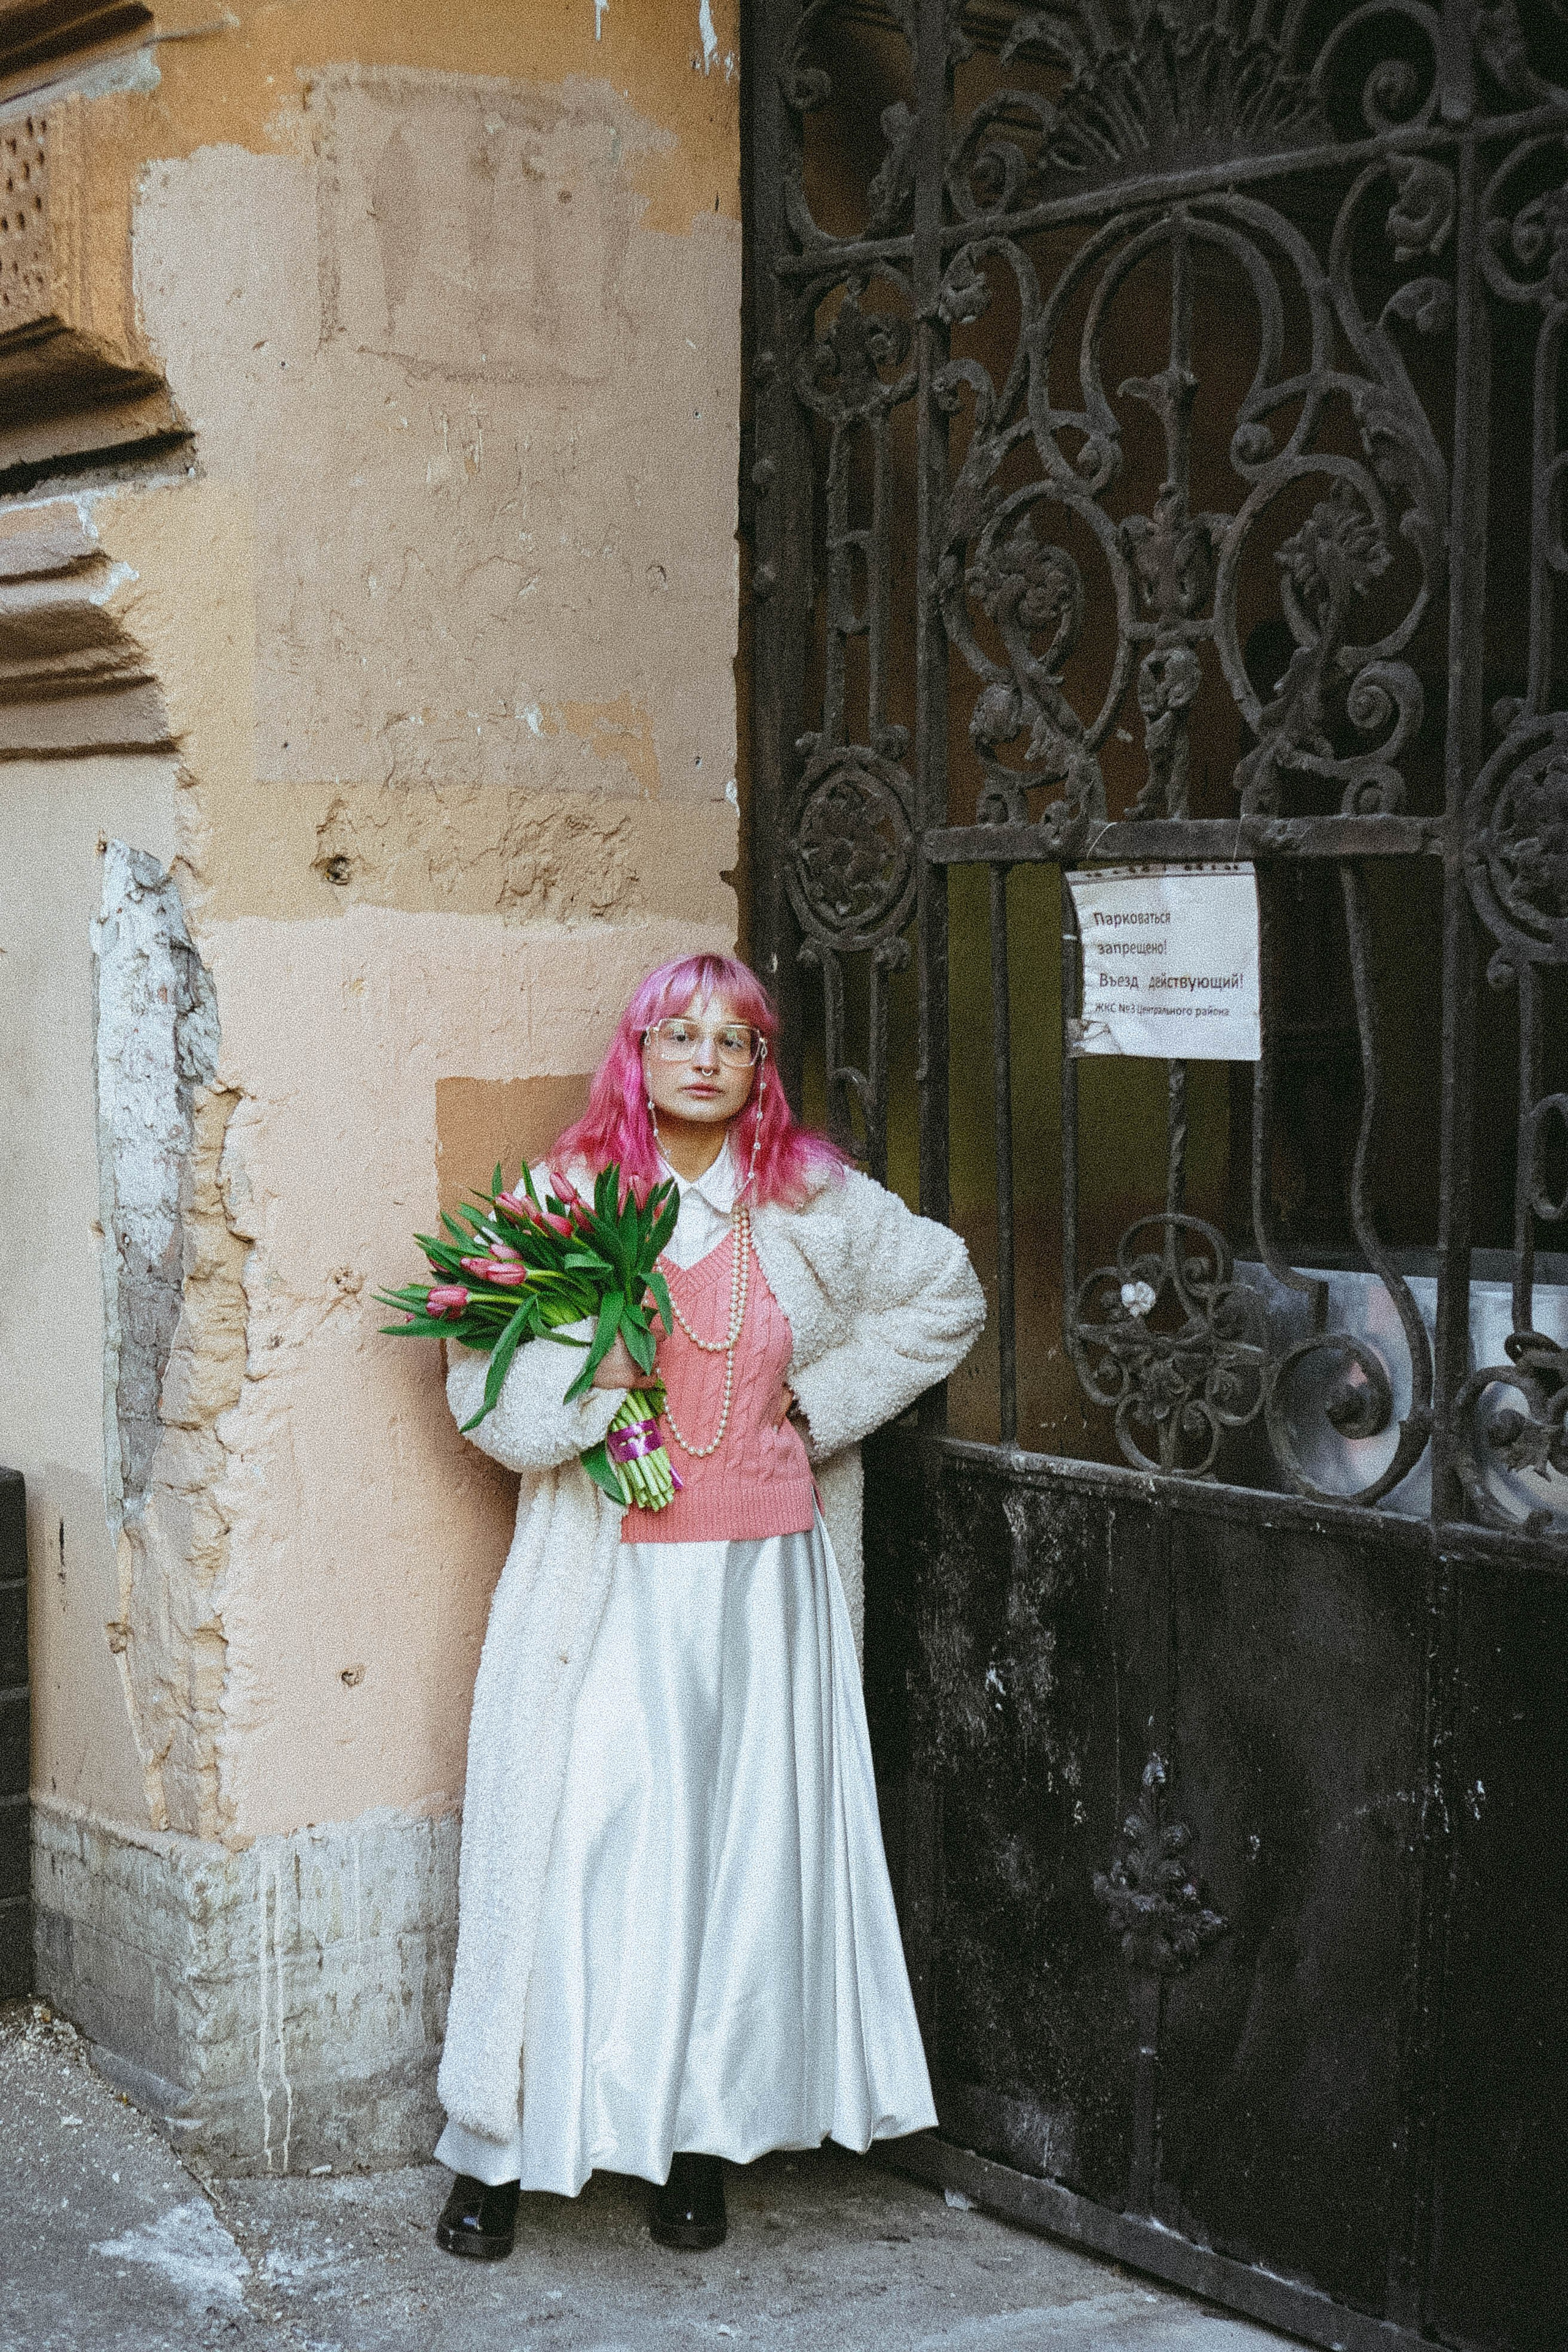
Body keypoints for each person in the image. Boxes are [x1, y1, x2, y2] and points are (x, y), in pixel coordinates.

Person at [431, 951, 984, 2259]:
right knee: (582, 1854)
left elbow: (943, 1290)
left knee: (734, 1869)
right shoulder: (565, 1199)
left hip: (764, 1580)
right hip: (613, 1579)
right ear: (635, 1053)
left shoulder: (809, 1197)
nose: (704, 1058)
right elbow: (485, 1396)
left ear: (757, 1069)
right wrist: (592, 1384)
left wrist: (824, 1398)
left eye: (732, 1040)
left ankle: (691, 2144)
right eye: (678, 1034)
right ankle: (499, 2153)